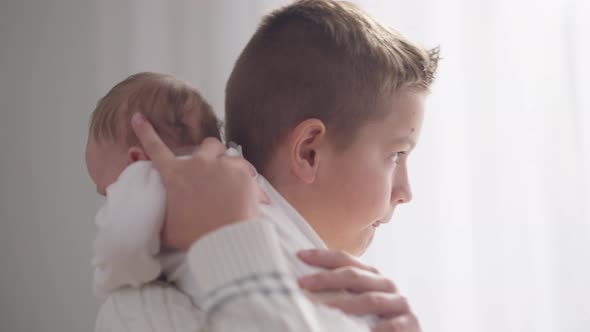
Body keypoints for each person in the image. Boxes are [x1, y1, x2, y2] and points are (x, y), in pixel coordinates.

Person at [96, 1, 438, 331]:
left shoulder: (347, 297)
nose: (405, 192)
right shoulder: (144, 308)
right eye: (396, 155)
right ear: (308, 152)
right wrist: (228, 244)